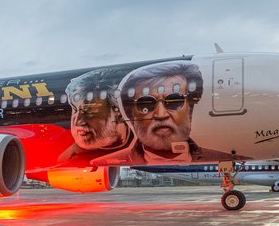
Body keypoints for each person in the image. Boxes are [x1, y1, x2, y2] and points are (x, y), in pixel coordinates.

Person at [93, 60, 230, 165]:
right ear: (130, 115)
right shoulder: (106, 161)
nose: (161, 114)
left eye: (174, 101)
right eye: (146, 104)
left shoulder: (222, 157)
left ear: (191, 109)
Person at [58, 68, 131, 163]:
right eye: (75, 110)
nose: (78, 122)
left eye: (88, 110)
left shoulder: (144, 152)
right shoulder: (67, 156)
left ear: (120, 112)